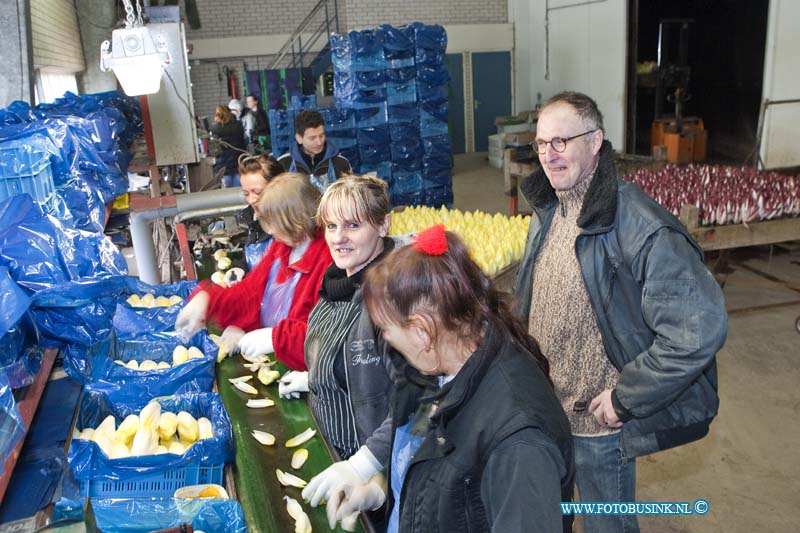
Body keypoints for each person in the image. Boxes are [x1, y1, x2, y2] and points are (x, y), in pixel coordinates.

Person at [514, 91, 727, 532]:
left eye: (561, 142)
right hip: (546, 413)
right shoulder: (548, 210)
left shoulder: (641, 225)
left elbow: (697, 331)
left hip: (598, 426)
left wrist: (625, 397)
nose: (548, 156)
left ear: (595, 142)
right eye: (540, 144)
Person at [324, 225, 573, 533]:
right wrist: (382, 491)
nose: (385, 338)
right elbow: (422, 455)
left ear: (422, 331)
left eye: (386, 328)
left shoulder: (519, 444)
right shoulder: (432, 374)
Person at [274, 175, 396, 527]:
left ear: (383, 225)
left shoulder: (391, 297)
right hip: (335, 453)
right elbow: (357, 368)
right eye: (331, 225)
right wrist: (316, 377)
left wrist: (369, 467)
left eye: (353, 225)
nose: (338, 237)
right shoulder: (336, 282)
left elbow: (418, 398)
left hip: (379, 473)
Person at [175, 173, 332, 369]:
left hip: (309, 372)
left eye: (276, 223)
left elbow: (327, 335)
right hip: (275, 363)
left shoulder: (329, 261)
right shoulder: (281, 249)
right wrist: (207, 299)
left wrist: (275, 338)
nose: (271, 231)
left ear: (296, 219)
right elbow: (248, 294)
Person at [277, 109, 352, 192]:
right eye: (312, 138)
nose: (319, 142)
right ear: (299, 138)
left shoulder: (340, 163)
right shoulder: (283, 164)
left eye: (321, 135)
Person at [235, 153, 284, 269]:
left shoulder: (291, 226)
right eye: (246, 194)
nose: (251, 200)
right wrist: (240, 268)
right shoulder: (252, 218)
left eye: (258, 192)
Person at [210, 104, 246, 188]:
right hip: (238, 165)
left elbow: (214, 152)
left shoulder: (215, 129)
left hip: (223, 167)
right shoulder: (238, 126)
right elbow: (244, 144)